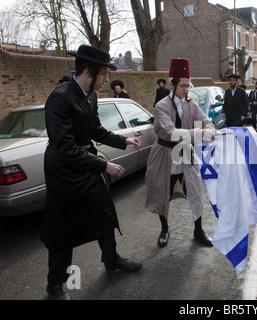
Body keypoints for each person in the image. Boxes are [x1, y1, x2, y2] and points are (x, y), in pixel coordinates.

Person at [41, 45, 143, 300]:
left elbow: (96, 130)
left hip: (87, 165)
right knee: (62, 229)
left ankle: (112, 260)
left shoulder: (91, 97)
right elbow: (64, 148)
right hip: (64, 172)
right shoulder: (59, 98)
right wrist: (104, 165)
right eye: (104, 74)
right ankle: (55, 284)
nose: (107, 79)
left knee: (105, 214)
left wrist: (123, 141)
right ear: (89, 72)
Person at [144, 58, 215, 248]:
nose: (186, 89)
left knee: (194, 190)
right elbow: (171, 132)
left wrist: (211, 129)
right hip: (164, 152)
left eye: (188, 85)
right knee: (162, 193)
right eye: (183, 86)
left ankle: (198, 231)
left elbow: (206, 121)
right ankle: (165, 229)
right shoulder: (161, 106)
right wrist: (200, 133)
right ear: (172, 84)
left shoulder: (192, 105)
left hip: (184, 151)